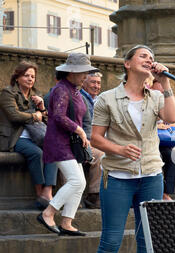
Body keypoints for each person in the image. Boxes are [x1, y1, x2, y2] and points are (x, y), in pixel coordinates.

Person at [91, 45, 175, 253]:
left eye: (152, 57)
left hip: (151, 175)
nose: (149, 60)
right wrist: (119, 149)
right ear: (127, 64)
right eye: (143, 56)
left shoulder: (157, 96)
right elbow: (96, 139)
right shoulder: (107, 98)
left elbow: (172, 118)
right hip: (118, 176)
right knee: (110, 240)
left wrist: (164, 82)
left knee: (147, 242)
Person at [37, 53, 98, 236]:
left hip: (69, 143)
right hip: (58, 143)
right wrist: (79, 130)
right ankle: (48, 213)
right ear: (71, 72)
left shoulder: (73, 89)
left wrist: (81, 134)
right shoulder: (62, 89)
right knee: (77, 180)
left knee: (80, 182)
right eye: (82, 72)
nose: (85, 76)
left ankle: (66, 222)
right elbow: (58, 116)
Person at [0, 61, 58, 210]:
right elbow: (14, 116)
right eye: (26, 75)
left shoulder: (35, 95)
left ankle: (47, 191)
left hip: (35, 136)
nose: (30, 79)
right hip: (14, 137)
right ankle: (38, 193)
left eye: (33, 76)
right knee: (36, 153)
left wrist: (42, 108)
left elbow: (45, 118)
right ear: (17, 77)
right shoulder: (8, 93)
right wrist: (35, 115)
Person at [80, 72, 105, 209]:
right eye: (93, 82)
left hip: (101, 139)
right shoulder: (80, 97)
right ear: (84, 82)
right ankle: (94, 196)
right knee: (101, 154)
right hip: (86, 140)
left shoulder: (101, 100)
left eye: (99, 83)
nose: (96, 86)